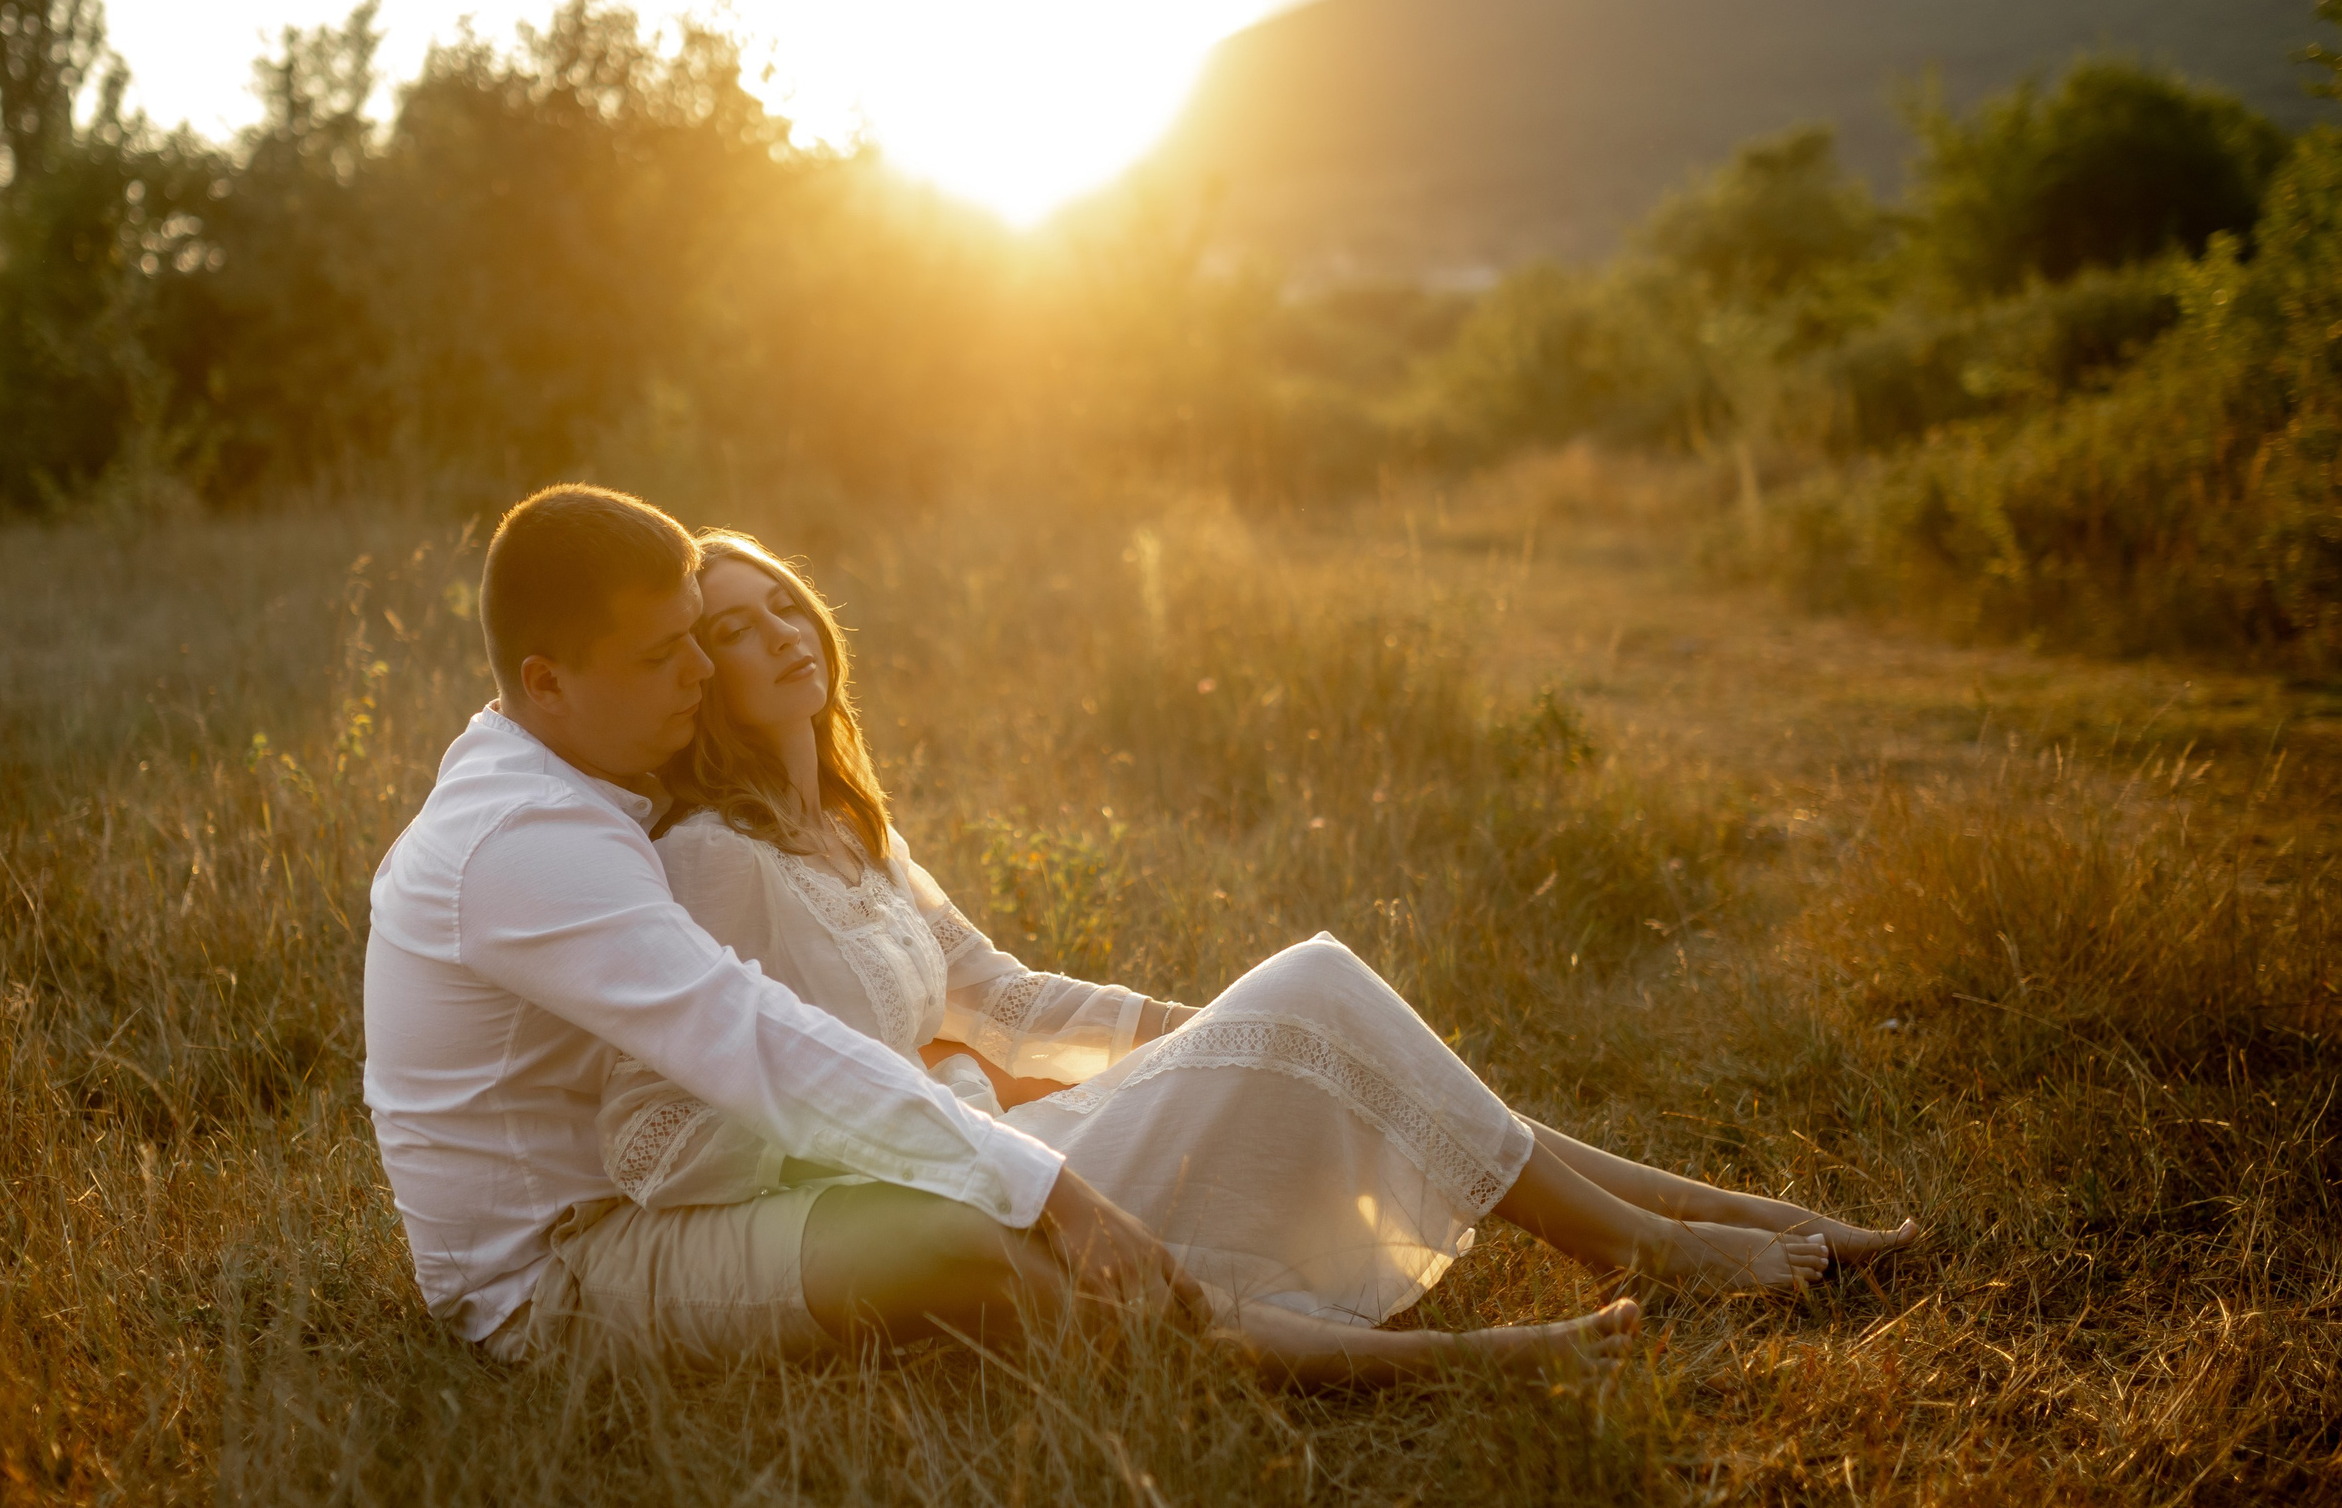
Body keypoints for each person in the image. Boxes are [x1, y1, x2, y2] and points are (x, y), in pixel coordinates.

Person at [362, 484, 1642, 1385]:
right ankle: (1360, 1365)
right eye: (669, 658)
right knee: (959, 1230)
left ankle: (1640, 1233)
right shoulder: (528, 844)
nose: (702, 677)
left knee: (1186, 1078)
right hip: (558, 1274)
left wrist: (1173, 1041)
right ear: (545, 682)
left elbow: (978, 990)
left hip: (686, 1186)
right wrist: (1039, 1178)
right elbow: (743, 1036)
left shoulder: (599, 781)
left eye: (713, 641)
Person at [592, 529, 1921, 1343]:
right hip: (963, 1184)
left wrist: (1192, 1025)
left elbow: (998, 990)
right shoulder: (714, 857)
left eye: (780, 604)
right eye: (728, 629)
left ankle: (1696, 1215)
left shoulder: (844, 820)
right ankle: (1653, 1236)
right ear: (696, 680)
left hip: (1012, 1143)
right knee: (1327, 987)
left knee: (1322, 1008)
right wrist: (900, 1111)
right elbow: (678, 1119)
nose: (774, 633)